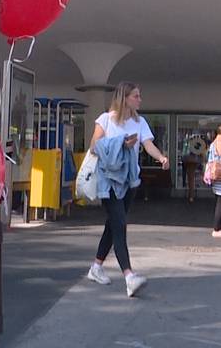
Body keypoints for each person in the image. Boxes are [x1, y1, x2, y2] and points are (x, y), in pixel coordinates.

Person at [85, 82, 170, 298]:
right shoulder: (105, 119)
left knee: (113, 224)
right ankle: (129, 276)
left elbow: (148, 144)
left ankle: (96, 267)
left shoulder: (139, 122)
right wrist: (121, 143)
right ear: (125, 98)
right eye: (136, 96)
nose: (140, 100)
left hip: (129, 180)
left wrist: (160, 157)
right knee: (119, 224)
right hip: (109, 181)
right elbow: (94, 145)